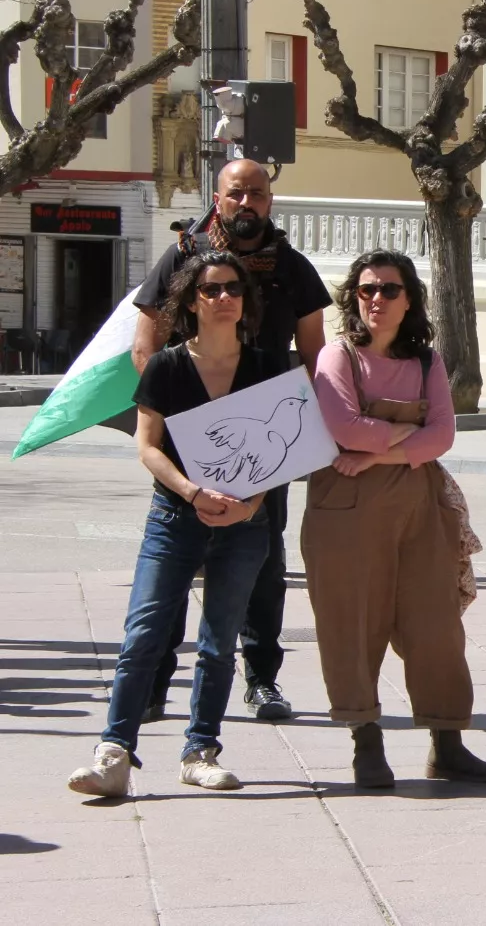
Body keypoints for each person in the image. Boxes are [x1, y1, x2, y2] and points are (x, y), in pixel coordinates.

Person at [69, 252, 278, 796]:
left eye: (233, 289)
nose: (224, 298)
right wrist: (191, 491)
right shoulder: (166, 365)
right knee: (144, 633)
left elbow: (284, 453)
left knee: (219, 642)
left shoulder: (265, 368)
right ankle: (114, 753)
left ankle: (200, 750)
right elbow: (147, 445)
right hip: (173, 518)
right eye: (211, 290)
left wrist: (250, 504)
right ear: (191, 300)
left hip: (244, 524)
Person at [132, 158, 331, 724]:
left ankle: (262, 679)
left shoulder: (291, 267)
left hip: (264, 444)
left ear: (271, 201)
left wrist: (299, 428)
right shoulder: (183, 256)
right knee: (173, 565)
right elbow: (146, 344)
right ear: (217, 199)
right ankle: (153, 684)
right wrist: (171, 414)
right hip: (186, 440)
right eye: (237, 194)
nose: (248, 205)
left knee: (263, 566)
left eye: (258, 195)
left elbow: (317, 357)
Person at [302, 250, 486, 787]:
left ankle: (448, 744)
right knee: (353, 627)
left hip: (420, 509)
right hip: (344, 513)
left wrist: (378, 452)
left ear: (409, 299)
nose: (377, 299)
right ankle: (366, 743)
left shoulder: (427, 362)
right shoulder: (337, 357)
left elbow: (444, 435)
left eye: (390, 290)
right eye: (367, 289)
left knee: (437, 627)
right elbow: (345, 428)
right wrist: (403, 436)